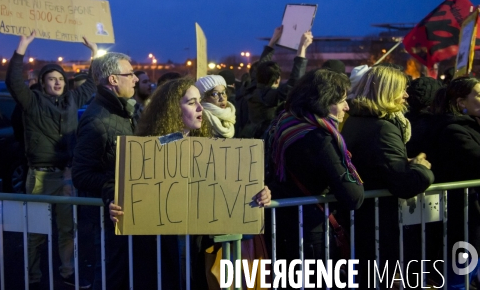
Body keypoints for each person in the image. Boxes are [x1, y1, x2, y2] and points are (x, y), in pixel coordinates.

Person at [109, 78, 271, 289]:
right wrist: (113, 201)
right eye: (191, 102)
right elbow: (118, 182)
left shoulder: (211, 147)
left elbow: (230, 189)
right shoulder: (153, 147)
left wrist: (259, 193)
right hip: (161, 252)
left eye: (199, 101)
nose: (200, 107)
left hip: (199, 250)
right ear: (172, 109)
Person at [6, 31, 96, 288]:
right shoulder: (31, 102)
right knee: (35, 231)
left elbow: (91, 83)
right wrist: (22, 46)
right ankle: (32, 276)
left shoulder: (72, 99)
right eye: (51, 79)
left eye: (60, 79)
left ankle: (67, 272)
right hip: (40, 175)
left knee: (67, 229)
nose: (56, 83)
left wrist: (94, 52)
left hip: (66, 175)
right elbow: (13, 82)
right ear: (42, 82)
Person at [265, 69, 364, 286]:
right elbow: (353, 197)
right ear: (324, 101)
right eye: (342, 100)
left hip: (283, 228)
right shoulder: (320, 138)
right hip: (313, 237)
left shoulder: (281, 124)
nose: (347, 107)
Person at [341, 65, 434, 288]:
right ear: (386, 91)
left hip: (363, 219)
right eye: (402, 89)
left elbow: (379, 162)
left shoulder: (356, 119)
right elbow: (402, 182)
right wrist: (422, 168)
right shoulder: (383, 127)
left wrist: (404, 162)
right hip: (379, 223)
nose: (406, 95)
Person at [72, 52, 138, 290]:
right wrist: (117, 185)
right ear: (113, 80)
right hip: (109, 217)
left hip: (124, 212)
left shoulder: (125, 111)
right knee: (112, 275)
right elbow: (80, 174)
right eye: (129, 74)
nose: (136, 79)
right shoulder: (97, 120)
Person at [429, 76, 480, 288]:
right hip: (463, 218)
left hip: (473, 216)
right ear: (461, 103)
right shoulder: (454, 130)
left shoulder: (472, 126)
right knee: (459, 279)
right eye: (479, 94)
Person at [240, 30, 313, 139]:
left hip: (249, 136)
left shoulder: (252, 89)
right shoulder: (270, 97)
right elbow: (294, 82)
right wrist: (302, 48)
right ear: (276, 80)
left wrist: (272, 42)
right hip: (266, 140)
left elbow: (262, 66)